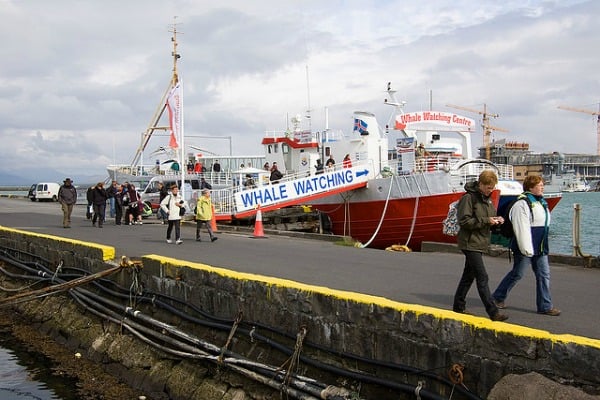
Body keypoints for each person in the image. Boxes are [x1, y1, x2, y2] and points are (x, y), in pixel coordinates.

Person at [493, 175, 561, 316]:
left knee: (543, 275)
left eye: (542, 184)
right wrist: (526, 249)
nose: (542, 187)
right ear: (530, 187)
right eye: (539, 185)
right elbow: (521, 227)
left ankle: (545, 306)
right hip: (526, 247)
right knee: (517, 273)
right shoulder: (522, 204)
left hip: (540, 246)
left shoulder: (540, 202)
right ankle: (497, 297)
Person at [452, 170, 508, 322]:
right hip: (470, 242)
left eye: (493, 187)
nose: (491, 190)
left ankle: (458, 306)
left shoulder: (487, 200)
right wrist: (486, 221)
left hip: (479, 241)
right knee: (482, 277)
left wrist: (496, 221)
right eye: (489, 187)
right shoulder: (469, 198)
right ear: (481, 184)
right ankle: (493, 312)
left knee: (468, 276)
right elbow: (464, 221)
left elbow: (486, 219)